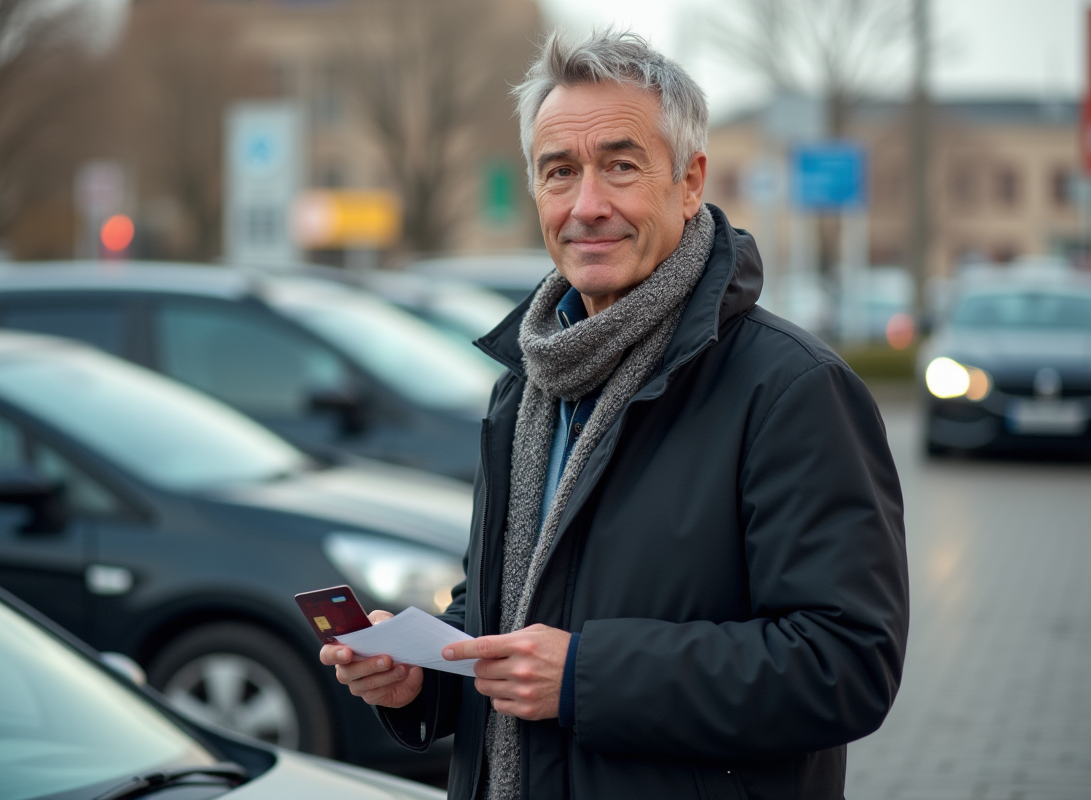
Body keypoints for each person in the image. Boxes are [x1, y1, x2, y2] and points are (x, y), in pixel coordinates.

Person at [321, 29, 908, 800]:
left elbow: (846, 663)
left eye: (621, 167)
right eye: (559, 172)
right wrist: (421, 681)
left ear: (691, 182)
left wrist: (586, 677)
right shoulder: (527, 384)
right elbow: (508, 615)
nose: (587, 206)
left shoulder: (790, 389)